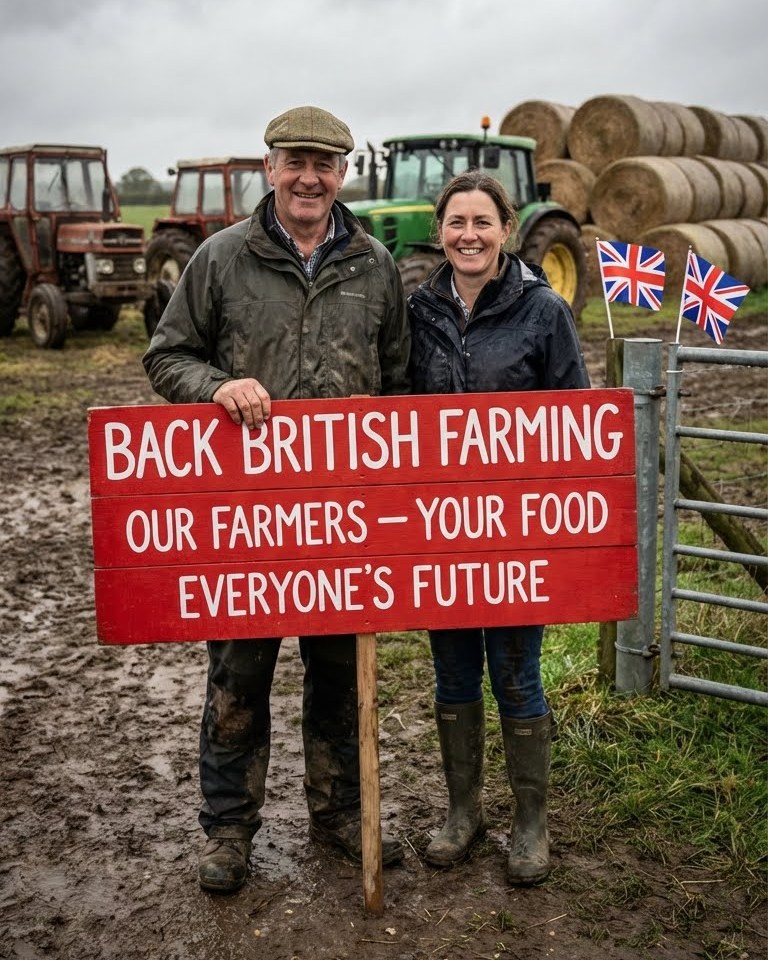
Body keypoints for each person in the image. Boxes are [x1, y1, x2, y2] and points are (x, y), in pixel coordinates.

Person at [143, 105, 410, 893]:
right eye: (295, 161)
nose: (309, 177)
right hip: (244, 519)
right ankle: (229, 832)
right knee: (238, 679)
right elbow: (167, 358)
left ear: (342, 176)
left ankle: (336, 817)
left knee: (339, 676)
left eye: (325, 164)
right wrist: (219, 385)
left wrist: (382, 421)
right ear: (269, 168)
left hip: (344, 519)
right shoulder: (222, 259)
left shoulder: (374, 265)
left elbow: (398, 380)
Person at [406, 170, 590, 885]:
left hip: (517, 531)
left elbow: (575, 424)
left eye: (483, 222)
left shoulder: (544, 312)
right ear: (441, 230)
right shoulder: (419, 309)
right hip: (441, 529)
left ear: (506, 230)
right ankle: (462, 812)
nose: (469, 235)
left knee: (517, 674)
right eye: (457, 223)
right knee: (452, 672)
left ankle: (531, 824)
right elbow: (396, 414)